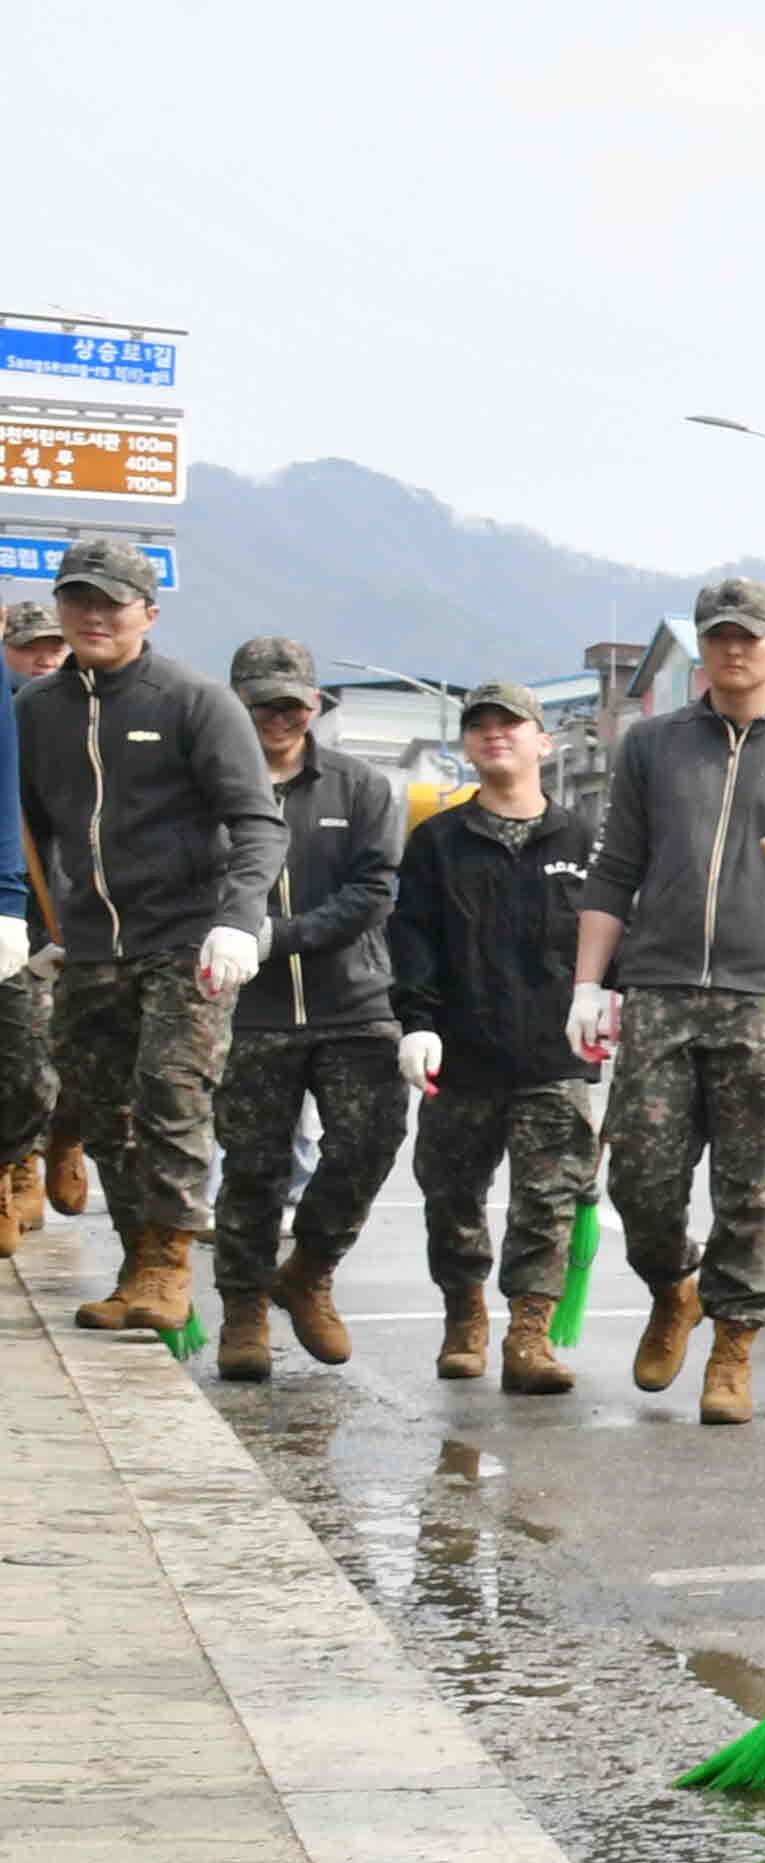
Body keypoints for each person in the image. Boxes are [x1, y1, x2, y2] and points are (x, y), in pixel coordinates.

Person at [576, 573, 765, 1425]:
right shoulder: (652, 747)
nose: (734, 648)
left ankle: (733, 1347)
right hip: (662, 990)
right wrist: (587, 984)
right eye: (718, 635)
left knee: (751, 1190)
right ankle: (673, 1288)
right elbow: (613, 871)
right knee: (641, 1180)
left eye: (749, 634)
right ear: (701, 648)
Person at [10, 534, 277, 1338]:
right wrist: (33, 928)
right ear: (58, 607)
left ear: (147, 613)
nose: (94, 615)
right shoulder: (32, 712)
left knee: (170, 1092)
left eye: (112, 602)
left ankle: (168, 1264)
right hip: (87, 945)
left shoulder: (194, 702)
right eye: (78, 599)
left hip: (185, 940)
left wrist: (237, 921)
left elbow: (257, 822)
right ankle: (137, 1261)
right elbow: (18, 827)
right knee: (100, 1110)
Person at [206, 636, 410, 1382]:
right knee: (253, 1168)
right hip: (247, 1012)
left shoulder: (361, 786)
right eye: (263, 702)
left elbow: (373, 890)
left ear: (315, 704)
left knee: (368, 1141)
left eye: (293, 702)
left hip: (352, 1003)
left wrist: (274, 937)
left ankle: (311, 1269)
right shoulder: (204, 790)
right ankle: (244, 1311)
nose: (280, 715)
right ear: (236, 705)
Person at [392, 681, 601, 1391]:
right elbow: (412, 941)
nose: (494, 735)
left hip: (554, 1056)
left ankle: (530, 1336)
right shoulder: (437, 843)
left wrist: (615, 1004)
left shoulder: (586, 842)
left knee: (547, 1202)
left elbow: (611, 943)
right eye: (479, 726)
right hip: (462, 1054)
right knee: (451, 1197)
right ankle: (464, 1319)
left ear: (544, 741)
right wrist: (415, 1025)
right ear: (466, 746)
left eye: (510, 724)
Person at [0, 596, 52, 1240]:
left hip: (36, 909)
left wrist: (9, 903)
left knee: (30, 1067)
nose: (47, 658)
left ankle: (25, 1154)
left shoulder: (26, 709)